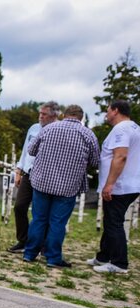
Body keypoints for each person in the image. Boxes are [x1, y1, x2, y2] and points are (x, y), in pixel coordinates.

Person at [23, 105, 100, 268]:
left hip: (42, 182)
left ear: (65, 115)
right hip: (68, 187)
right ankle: (52, 258)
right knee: (57, 223)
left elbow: (31, 150)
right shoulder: (88, 134)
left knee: (38, 219)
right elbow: (95, 161)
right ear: (81, 117)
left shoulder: (48, 128)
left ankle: (29, 254)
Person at [89, 100, 140, 274]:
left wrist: (109, 184)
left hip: (120, 185)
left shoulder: (122, 129)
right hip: (131, 183)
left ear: (116, 111)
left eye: (108, 110)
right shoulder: (135, 127)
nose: (106, 114)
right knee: (110, 220)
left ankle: (119, 263)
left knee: (114, 222)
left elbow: (120, 157)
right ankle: (103, 256)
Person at [7, 101, 60, 253]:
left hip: (46, 175)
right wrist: (19, 170)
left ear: (53, 115)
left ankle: (43, 244)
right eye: (40, 113)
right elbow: (25, 151)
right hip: (29, 173)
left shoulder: (58, 129)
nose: (40, 117)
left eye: (44, 114)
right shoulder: (34, 128)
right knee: (19, 207)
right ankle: (23, 240)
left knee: (42, 212)